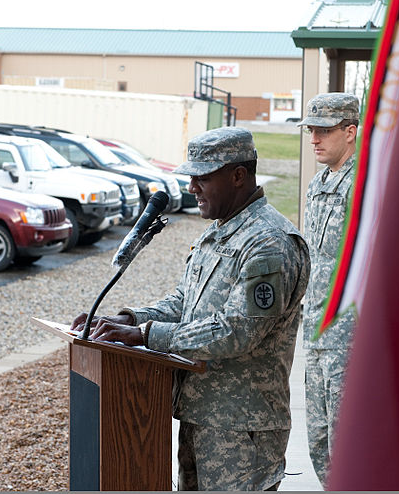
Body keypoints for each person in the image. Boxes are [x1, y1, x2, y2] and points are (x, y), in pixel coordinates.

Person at [72, 126, 310, 491]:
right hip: (202, 416)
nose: (192, 188)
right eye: (191, 177)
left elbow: (237, 330)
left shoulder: (270, 243)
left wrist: (145, 336)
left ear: (238, 176)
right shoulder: (218, 232)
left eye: (202, 177)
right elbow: (185, 303)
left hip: (243, 430)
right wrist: (129, 319)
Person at [298, 92, 360, 486]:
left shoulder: (364, 185)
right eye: (311, 131)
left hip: (349, 339)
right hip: (316, 333)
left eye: (323, 131)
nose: (315, 139)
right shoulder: (319, 183)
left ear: (350, 131)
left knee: (347, 445)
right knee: (318, 443)